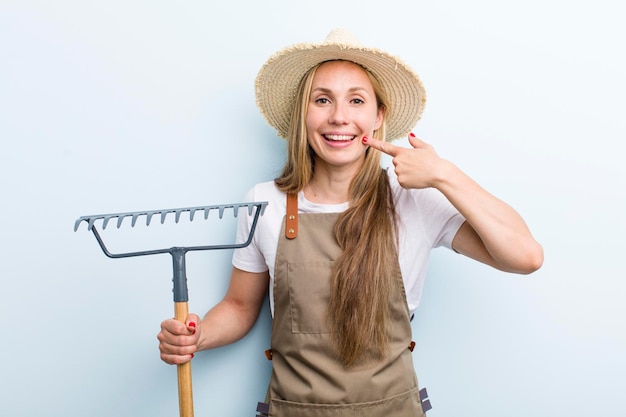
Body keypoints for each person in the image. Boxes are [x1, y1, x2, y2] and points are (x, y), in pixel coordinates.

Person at [157, 29, 543, 416]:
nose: (339, 116)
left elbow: (525, 256)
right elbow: (240, 307)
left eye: (356, 100)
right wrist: (198, 335)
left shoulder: (414, 199)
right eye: (322, 100)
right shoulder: (264, 202)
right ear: (302, 116)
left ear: (378, 117)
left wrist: (444, 175)